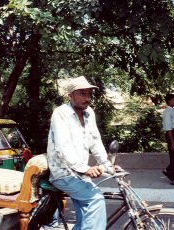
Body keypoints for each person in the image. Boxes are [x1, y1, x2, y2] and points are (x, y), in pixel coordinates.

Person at [47, 76, 114, 230]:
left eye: (89, 94)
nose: (87, 98)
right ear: (70, 95)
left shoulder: (89, 113)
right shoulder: (61, 113)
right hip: (63, 173)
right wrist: (85, 168)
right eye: (82, 94)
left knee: (85, 217)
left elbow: (95, 141)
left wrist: (107, 164)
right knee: (96, 199)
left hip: (80, 174)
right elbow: (63, 148)